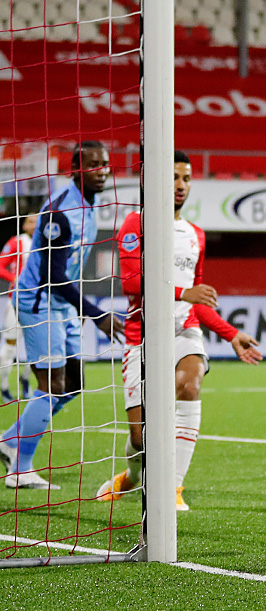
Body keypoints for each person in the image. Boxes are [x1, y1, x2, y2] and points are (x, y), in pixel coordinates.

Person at [97, 150, 262, 511]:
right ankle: (131, 477)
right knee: (141, 439)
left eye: (186, 178)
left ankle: (172, 488)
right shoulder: (135, 224)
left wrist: (230, 333)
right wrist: (182, 291)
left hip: (183, 330)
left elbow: (196, 300)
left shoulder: (195, 235)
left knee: (190, 383)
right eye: (173, 177)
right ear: (155, 178)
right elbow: (130, 282)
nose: (180, 185)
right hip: (142, 335)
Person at [0, 141, 124, 490]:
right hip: (40, 303)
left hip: (63, 304)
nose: (102, 171)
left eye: (105, 164)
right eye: (94, 165)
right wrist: (97, 313)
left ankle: (10, 442)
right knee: (51, 385)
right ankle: (19, 469)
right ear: (75, 168)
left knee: (73, 384)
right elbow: (53, 275)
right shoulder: (60, 211)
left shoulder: (91, 201)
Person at [0, 213, 38, 403]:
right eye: (31, 221)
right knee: (9, 348)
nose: (35, 224)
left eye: (38, 220)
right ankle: (4, 386)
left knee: (39, 346)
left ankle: (26, 380)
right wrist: (14, 279)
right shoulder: (16, 242)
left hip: (39, 304)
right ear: (24, 225)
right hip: (16, 302)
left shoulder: (46, 243)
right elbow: (1, 265)